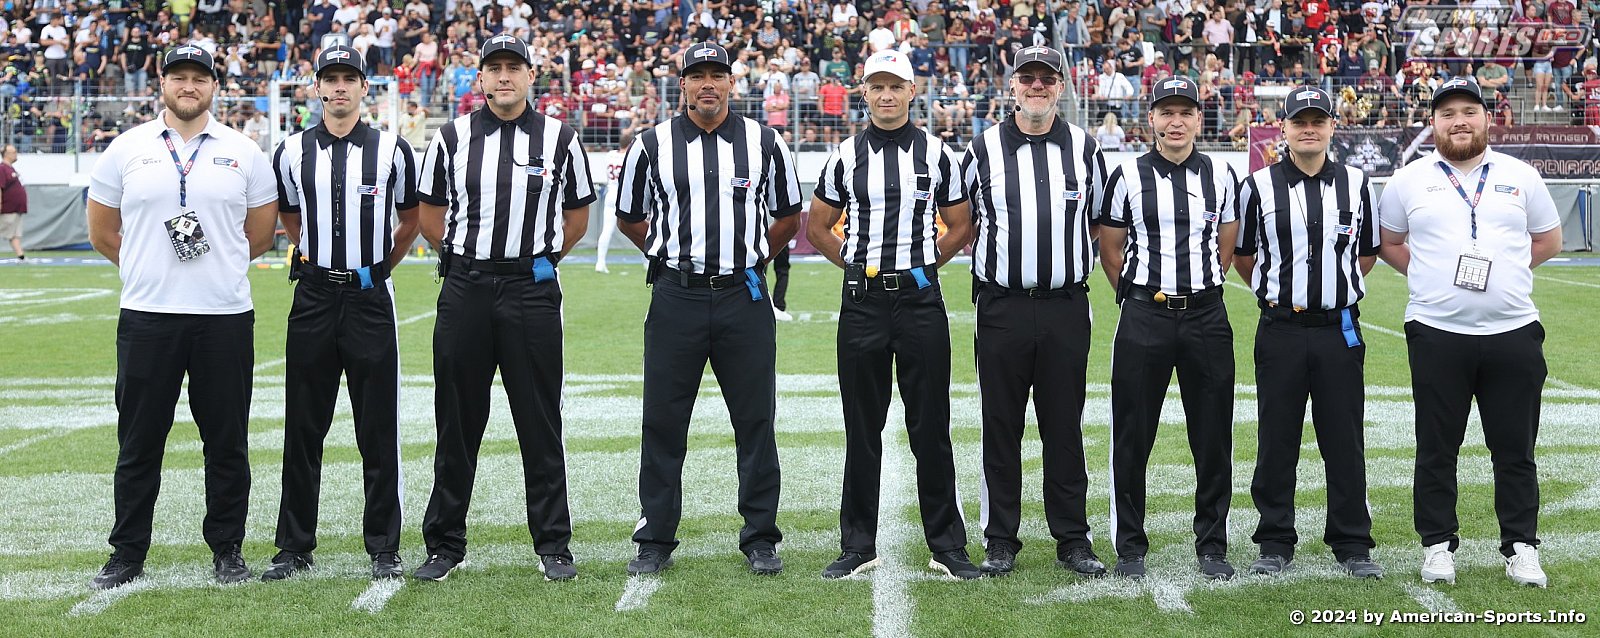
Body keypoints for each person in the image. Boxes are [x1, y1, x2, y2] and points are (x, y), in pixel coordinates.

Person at [84, 45, 278, 589]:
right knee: (139, 441)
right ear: (162, 84)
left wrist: (215, 269)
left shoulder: (244, 151)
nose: (188, 86)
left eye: (199, 78)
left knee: (227, 442)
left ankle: (227, 548)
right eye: (178, 77)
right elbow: (102, 232)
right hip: (148, 316)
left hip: (223, 317)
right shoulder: (126, 148)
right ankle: (127, 552)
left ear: (214, 86)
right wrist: (148, 269)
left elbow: (261, 235)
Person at [614, 42, 803, 577]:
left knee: (755, 419)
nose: (708, 84)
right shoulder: (651, 144)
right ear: (683, 85)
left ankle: (760, 536)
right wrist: (668, 255)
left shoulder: (766, 142)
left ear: (731, 83)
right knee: (664, 420)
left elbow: (789, 217)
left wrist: (753, 258)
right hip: (677, 296)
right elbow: (629, 217)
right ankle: (655, 537)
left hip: (743, 296)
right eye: (697, 75)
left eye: (717, 75)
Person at [413, 34, 595, 582]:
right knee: (457, 421)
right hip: (466, 288)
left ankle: (554, 544)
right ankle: (445, 544)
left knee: (539, 421)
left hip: (530, 292)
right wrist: (467, 263)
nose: (504, 76)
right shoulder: (451, 137)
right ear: (481, 79)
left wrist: (537, 261)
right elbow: (429, 216)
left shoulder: (560, 138)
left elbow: (576, 218)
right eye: (494, 68)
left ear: (530, 76)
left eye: (514, 67)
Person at [1377, 77, 1561, 588]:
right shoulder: (1406, 181)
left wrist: (1507, 272)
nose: (1459, 121)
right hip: (1437, 332)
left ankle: (1521, 547)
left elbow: (1548, 239)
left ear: (1487, 118)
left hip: (1513, 331)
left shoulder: (1521, 175)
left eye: (1469, 111)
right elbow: (1390, 243)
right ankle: (1437, 546)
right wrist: (1430, 276)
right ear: (1432, 123)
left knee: (1515, 449)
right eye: (1447, 113)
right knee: (1437, 448)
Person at [805, 49, 978, 581]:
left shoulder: (938, 154)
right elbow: (817, 227)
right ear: (864, 92)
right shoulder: (844, 155)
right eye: (877, 86)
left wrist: (924, 266)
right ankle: (858, 544)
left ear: (911, 91)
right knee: (862, 426)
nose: (886, 95)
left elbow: (960, 225)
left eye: (895, 86)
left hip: (919, 302)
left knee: (931, 426)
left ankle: (947, 545)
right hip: (863, 303)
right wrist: (855, 266)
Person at [261, 45, 420, 583]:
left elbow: (410, 219)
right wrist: (314, 258)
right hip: (313, 297)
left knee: (378, 427)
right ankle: (294, 545)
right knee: (303, 425)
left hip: (369, 297)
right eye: (330, 79)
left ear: (363, 87)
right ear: (317, 87)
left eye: (349, 78)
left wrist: (379, 267)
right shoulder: (290, 150)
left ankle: (384, 546)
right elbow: (289, 216)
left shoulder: (393, 149)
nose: (339, 88)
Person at [961, 46, 1109, 578]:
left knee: (1064, 426)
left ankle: (1073, 538)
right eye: (1028, 78)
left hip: (1066, 306)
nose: (1037, 87)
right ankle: (1000, 538)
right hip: (1001, 306)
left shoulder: (1086, 149)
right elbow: (963, 220)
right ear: (1013, 86)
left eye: (1047, 78)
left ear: (1061, 87)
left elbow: (1100, 222)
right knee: (1000, 425)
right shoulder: (982, 149)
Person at [1233, 86, 1384, 580]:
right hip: (1280, 328)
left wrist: (1330, 292)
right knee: (1277, 438)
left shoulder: (1358, 184)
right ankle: (1274, 540)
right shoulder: (1258, 186)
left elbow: (1366, 254)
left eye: (1318, 120)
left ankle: (1352, 542)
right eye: (1300, 121)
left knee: (1344, 438)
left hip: (1338, 329)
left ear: (1333, 127)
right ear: (1284, 128)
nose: (1309, 129)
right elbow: (1244, 256)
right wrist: (1283, 293)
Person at [1097, 76, 1239, 581]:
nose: (1175, 122)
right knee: (1133, 434)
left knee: (1213, 435)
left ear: (1199, 119)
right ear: (1151, 118)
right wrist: (1139, 296)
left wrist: (1198, 288)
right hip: (1145, 315)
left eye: (1185, 112)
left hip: (1206, 316)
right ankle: (1130, 547)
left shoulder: (1222, 175)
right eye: (1166, 112)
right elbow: (1110, 249)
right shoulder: (1126, 175)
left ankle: (1212, 545)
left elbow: (1226, 244)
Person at [593, 137, 626, 274]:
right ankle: (647, 262)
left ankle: (600, 262)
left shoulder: (610, 155)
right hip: (624, 196)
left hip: (611, 193)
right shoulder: (628, 156)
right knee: (641, 226)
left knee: (606, 230)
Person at [0, 145, 26, 260]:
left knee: (14, 233)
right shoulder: (2, 169)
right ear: (6, 154)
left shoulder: (11, 168)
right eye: (14, 152)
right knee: (8, 231)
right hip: (7, 208)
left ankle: (21, 257)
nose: (16, 154)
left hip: (15, 208)